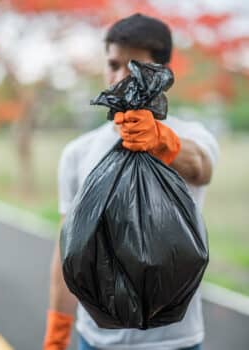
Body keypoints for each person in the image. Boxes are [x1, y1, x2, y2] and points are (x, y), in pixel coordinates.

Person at [43, 13, 219, 350]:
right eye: (113, 64)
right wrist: (58, 330)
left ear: (163, 71)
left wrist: (162, 142)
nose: (120, 76)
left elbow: (200, 166)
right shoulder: (78, 153)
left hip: (173, 342)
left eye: (134, 66)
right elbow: (68, 248)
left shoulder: (192, 135)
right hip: (94, 339)